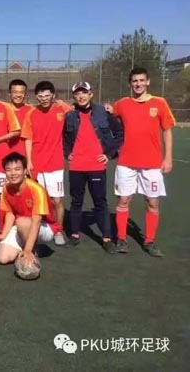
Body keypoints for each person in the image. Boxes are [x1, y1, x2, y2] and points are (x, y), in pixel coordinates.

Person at [110, 67, 175, 257]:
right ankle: (121, 239)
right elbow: (107, 115)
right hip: (126, 162)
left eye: (141, 80)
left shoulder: (160, 103)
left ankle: (149, 241)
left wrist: (168, 158)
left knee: (152, 202)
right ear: (130, 84)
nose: (138, 84)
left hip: (152, 163)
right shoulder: (122, 104)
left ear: (147, 82)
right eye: (134, 81)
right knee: (123, 200)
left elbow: (167, 130)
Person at [63, 82, 123, 253]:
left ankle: (107, 238)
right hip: (76, 167)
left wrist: (109, 154)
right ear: (74, 97)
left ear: (91, 94)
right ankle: (74, 235)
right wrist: (67, 153)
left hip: (96, 166)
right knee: (76, 202)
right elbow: (64, 138)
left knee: (100, 202)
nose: (80, 96)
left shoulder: (103, 113)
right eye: (77, 94)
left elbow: (120, 133)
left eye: (84, 92)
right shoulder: (70, 116)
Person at [20, 81, 68, 246]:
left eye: (47, 95)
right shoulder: (31, 113)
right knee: (37, 200)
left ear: (53, 95)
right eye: (40, 96)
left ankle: (58, 230)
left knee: (56, 200)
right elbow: (27, 138)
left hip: (55, 165)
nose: (44, 98)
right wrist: (29, 161)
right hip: (37, 165)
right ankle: (36, 228)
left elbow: (78, 112)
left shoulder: (62, 110)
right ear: (36, 97)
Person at [0, 152, 60, 266]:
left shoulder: (37, 189)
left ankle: (32, 251)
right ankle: (30, 248)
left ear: (25, 171)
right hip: (21, 225)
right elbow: (10, 214)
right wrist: (3, 235)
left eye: (17, 169)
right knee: (2, 258)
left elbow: (36, 222)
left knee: (22, 222)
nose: (13, 173)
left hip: (45, 227)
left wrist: (28, 250)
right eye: (8, 170)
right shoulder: (6, 189)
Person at [7, 79, 33, 156]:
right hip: (7, 156)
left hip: (26, 156)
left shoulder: (31, 111)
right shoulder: (3, 109)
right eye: (15, 92)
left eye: (21, 92)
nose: (18, 95)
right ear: (9, 93)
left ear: (25, 94)